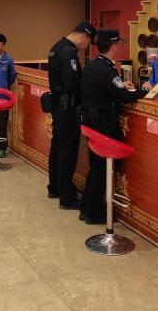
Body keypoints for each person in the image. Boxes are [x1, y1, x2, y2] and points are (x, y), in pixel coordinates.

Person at [80, 29, 147, 225]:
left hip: (90, 121)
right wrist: (143, 90)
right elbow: (123, 97)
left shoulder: (92, 65)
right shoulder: (108, 69)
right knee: (101, 169)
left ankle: (87, 209)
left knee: (96, 167)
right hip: (103, 124)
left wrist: (119, 86)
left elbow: (106, 89)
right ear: (114, 46)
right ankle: (93, 213)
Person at [47, 20, 97, 210]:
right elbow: (71, 83)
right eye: (88, 42)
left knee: (57, 149)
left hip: (58, 106)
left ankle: (54, 188)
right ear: (83, 36)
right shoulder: (69, 52)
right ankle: (67, 198)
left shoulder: (57, 47)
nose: (86, 46)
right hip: (67, 109)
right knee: (67, 153)